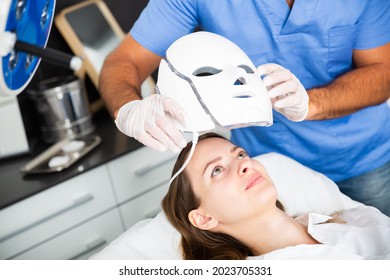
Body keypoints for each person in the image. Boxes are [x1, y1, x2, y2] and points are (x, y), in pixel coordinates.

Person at [99, 0, 390, 215]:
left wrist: (310, 104)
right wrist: (126, 108)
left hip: (362, 162)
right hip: (266, 171)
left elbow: (383, 71)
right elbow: (126, 61)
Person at [161, 132, 390, 260]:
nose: (244, 165)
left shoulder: (347, 217)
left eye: (240, 154)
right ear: (204, 218)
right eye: (217, 170)